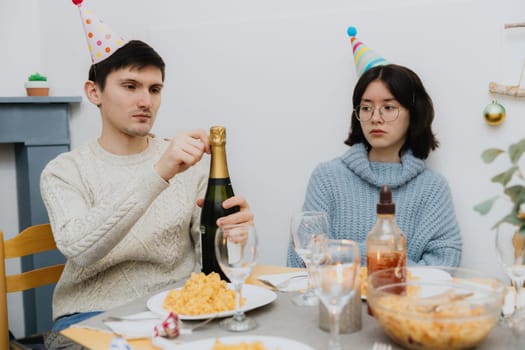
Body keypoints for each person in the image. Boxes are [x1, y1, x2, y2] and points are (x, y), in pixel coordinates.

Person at [40, 39, 254, 331]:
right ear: (94, 92)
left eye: (155, 89)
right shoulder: (64, 171)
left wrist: (232, 240)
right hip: (90, 318)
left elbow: (211, 266)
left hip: (174, 312)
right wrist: (158, 174)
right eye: (130, 86)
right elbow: (79, 249)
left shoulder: (191, 166)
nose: (146, 102)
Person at [287, 64, 462, 268]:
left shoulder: (432, 187)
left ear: (413, 113)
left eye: (388, 108)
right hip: (336, 298)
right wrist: (395, 260)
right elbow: (301, 261)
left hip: (404, 300)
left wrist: (348, 253)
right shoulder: (327, 177)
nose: (375, 118)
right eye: (366, 108)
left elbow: (443, 269)